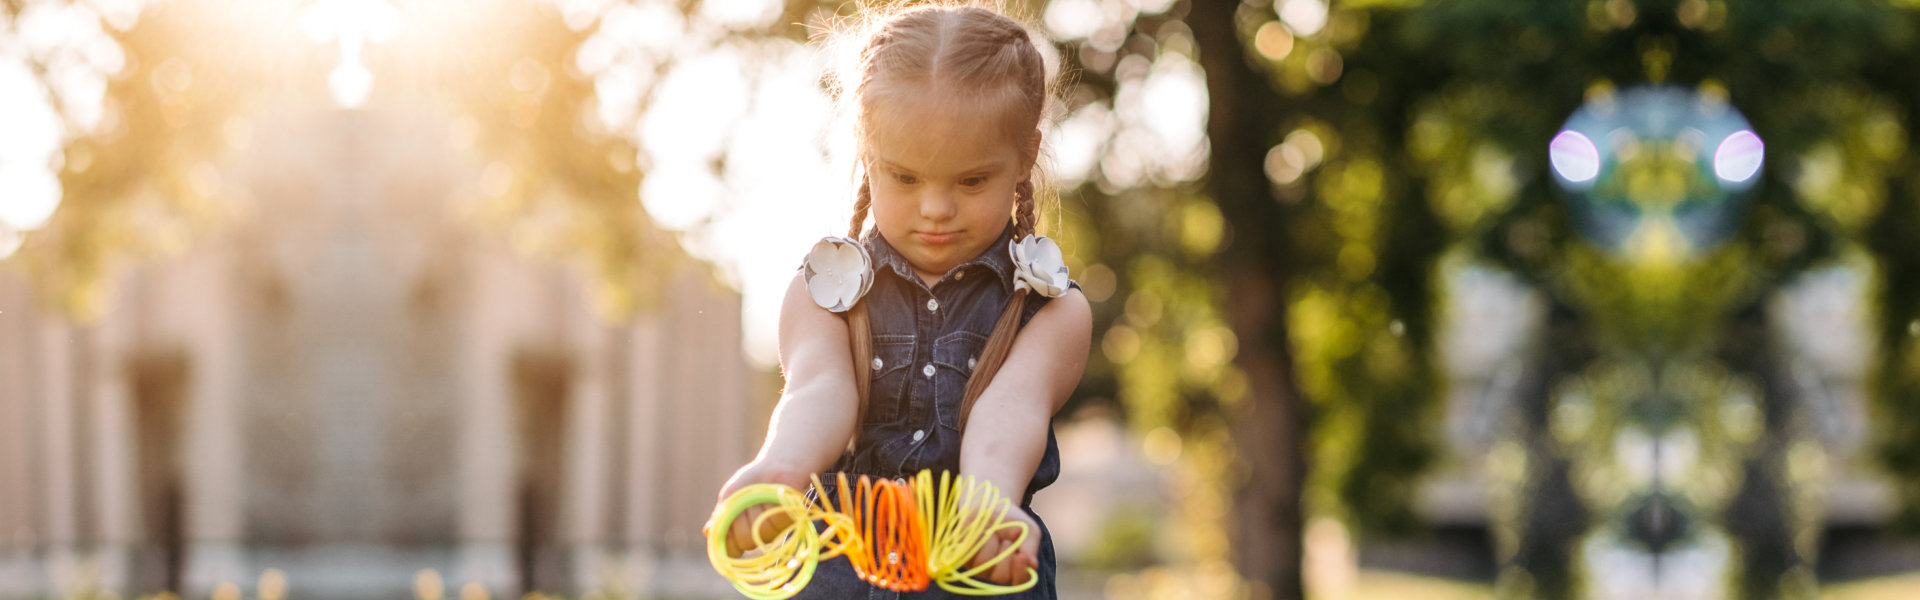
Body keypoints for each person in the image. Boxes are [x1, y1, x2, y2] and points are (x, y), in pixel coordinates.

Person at [705, 3, 1093, 598]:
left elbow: (1012, 407)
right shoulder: (823, 294)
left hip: (977, 562)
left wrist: (988, 504)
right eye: (906, 178)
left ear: (1025, 157)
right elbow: (819, 390)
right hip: (839, 562)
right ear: (866, 151)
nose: (935, 208)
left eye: (970, 181)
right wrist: (779, 469)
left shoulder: (1052, 309)